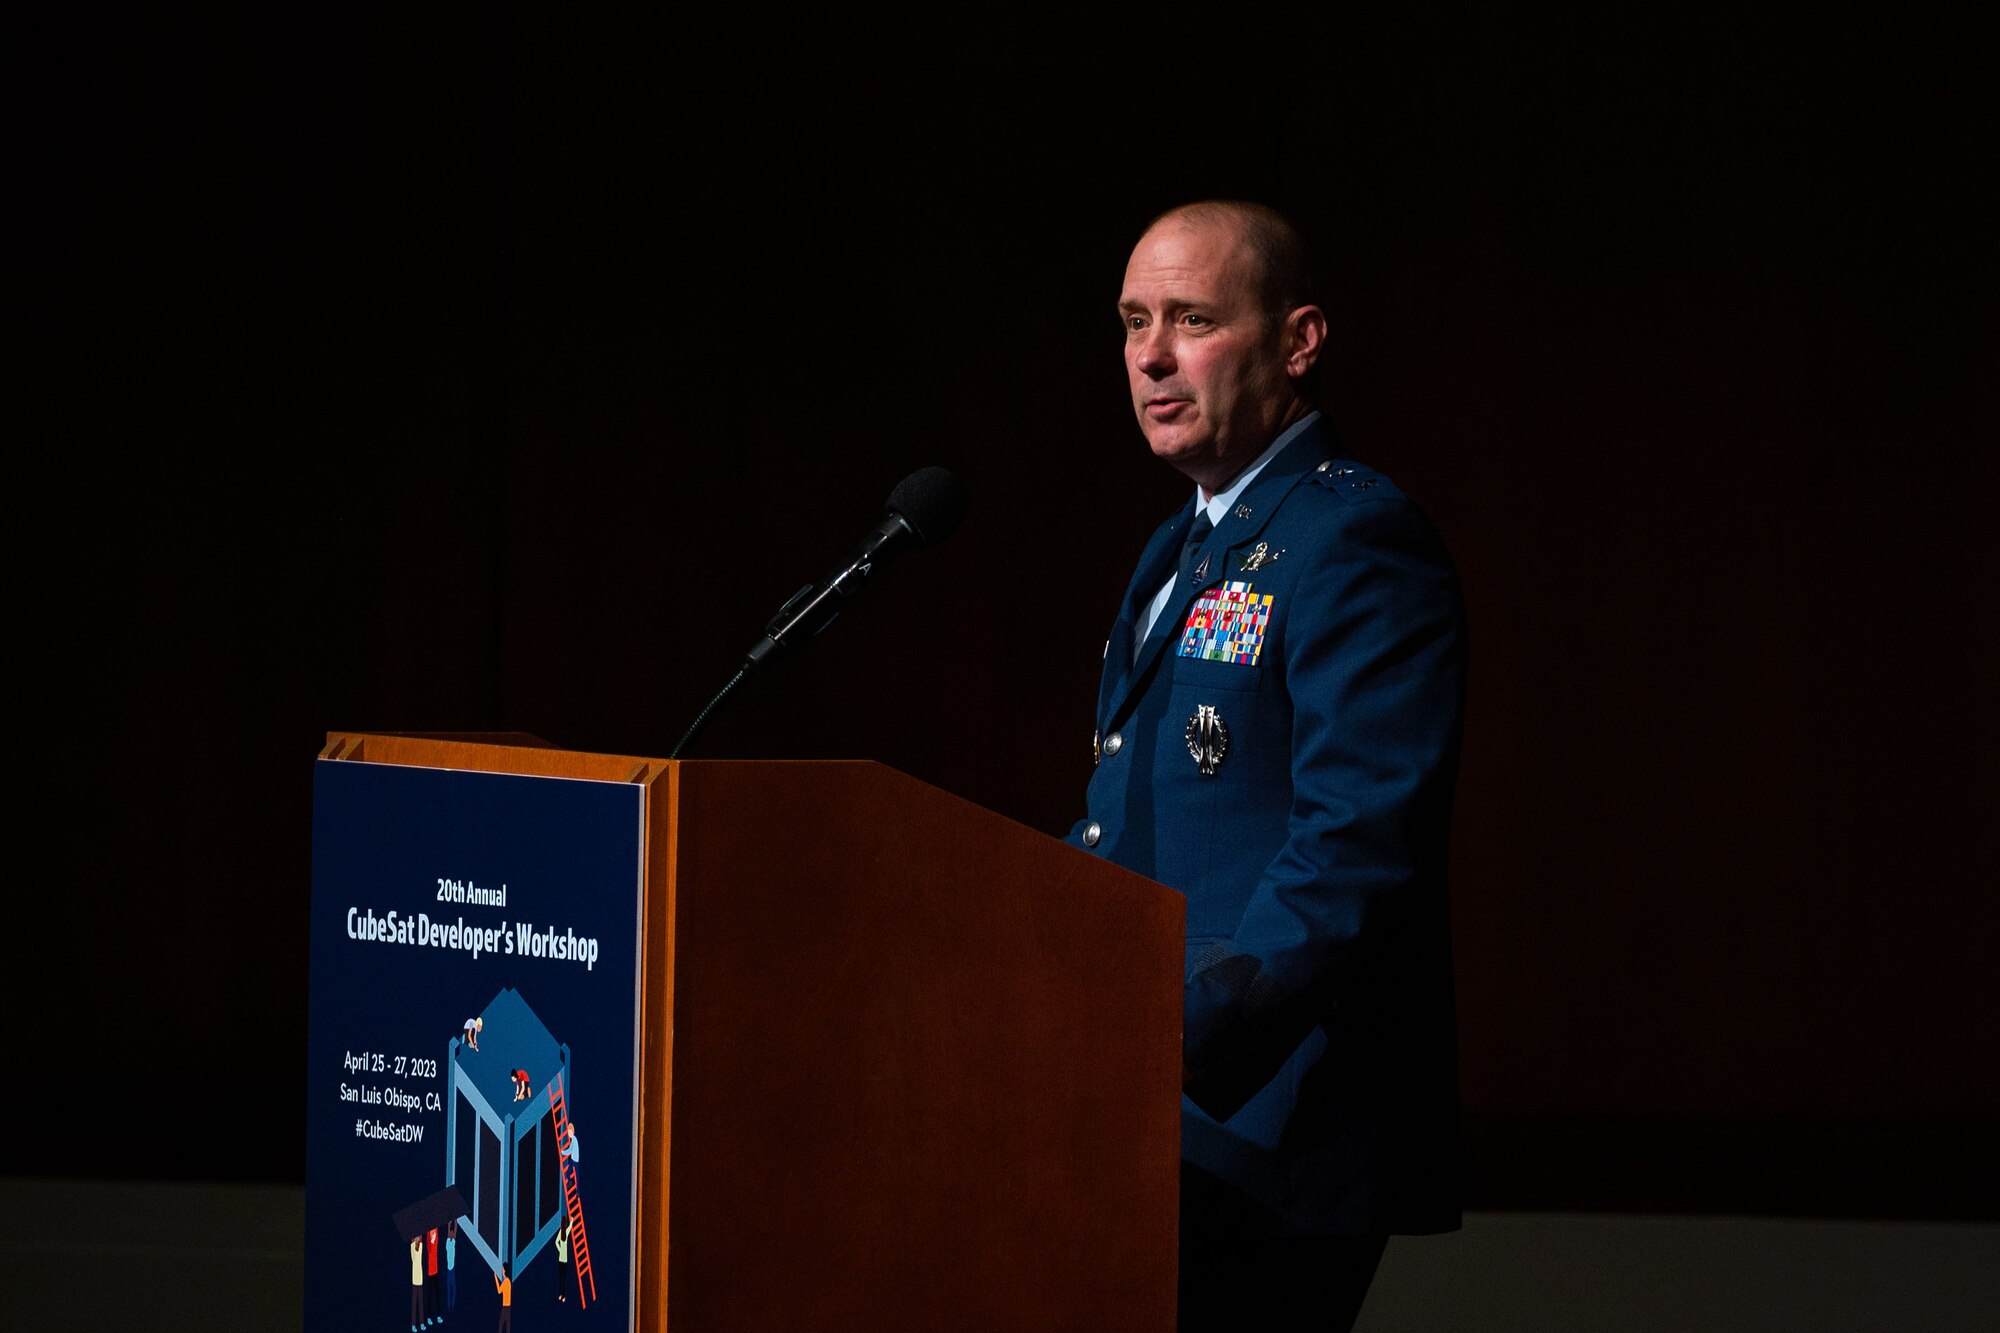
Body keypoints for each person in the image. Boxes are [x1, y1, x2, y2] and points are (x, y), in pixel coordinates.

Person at [1072, 200, 1467, 1331]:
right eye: (1133, 321)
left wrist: (1173, 1041)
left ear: (1297, 341)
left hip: (1269, 1117)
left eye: (1191, 319)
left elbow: (1354, 844)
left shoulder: (1352, 540)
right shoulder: (1180, 543)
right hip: (1155, 1111)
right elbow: (1121, 823)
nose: (1150, 354)